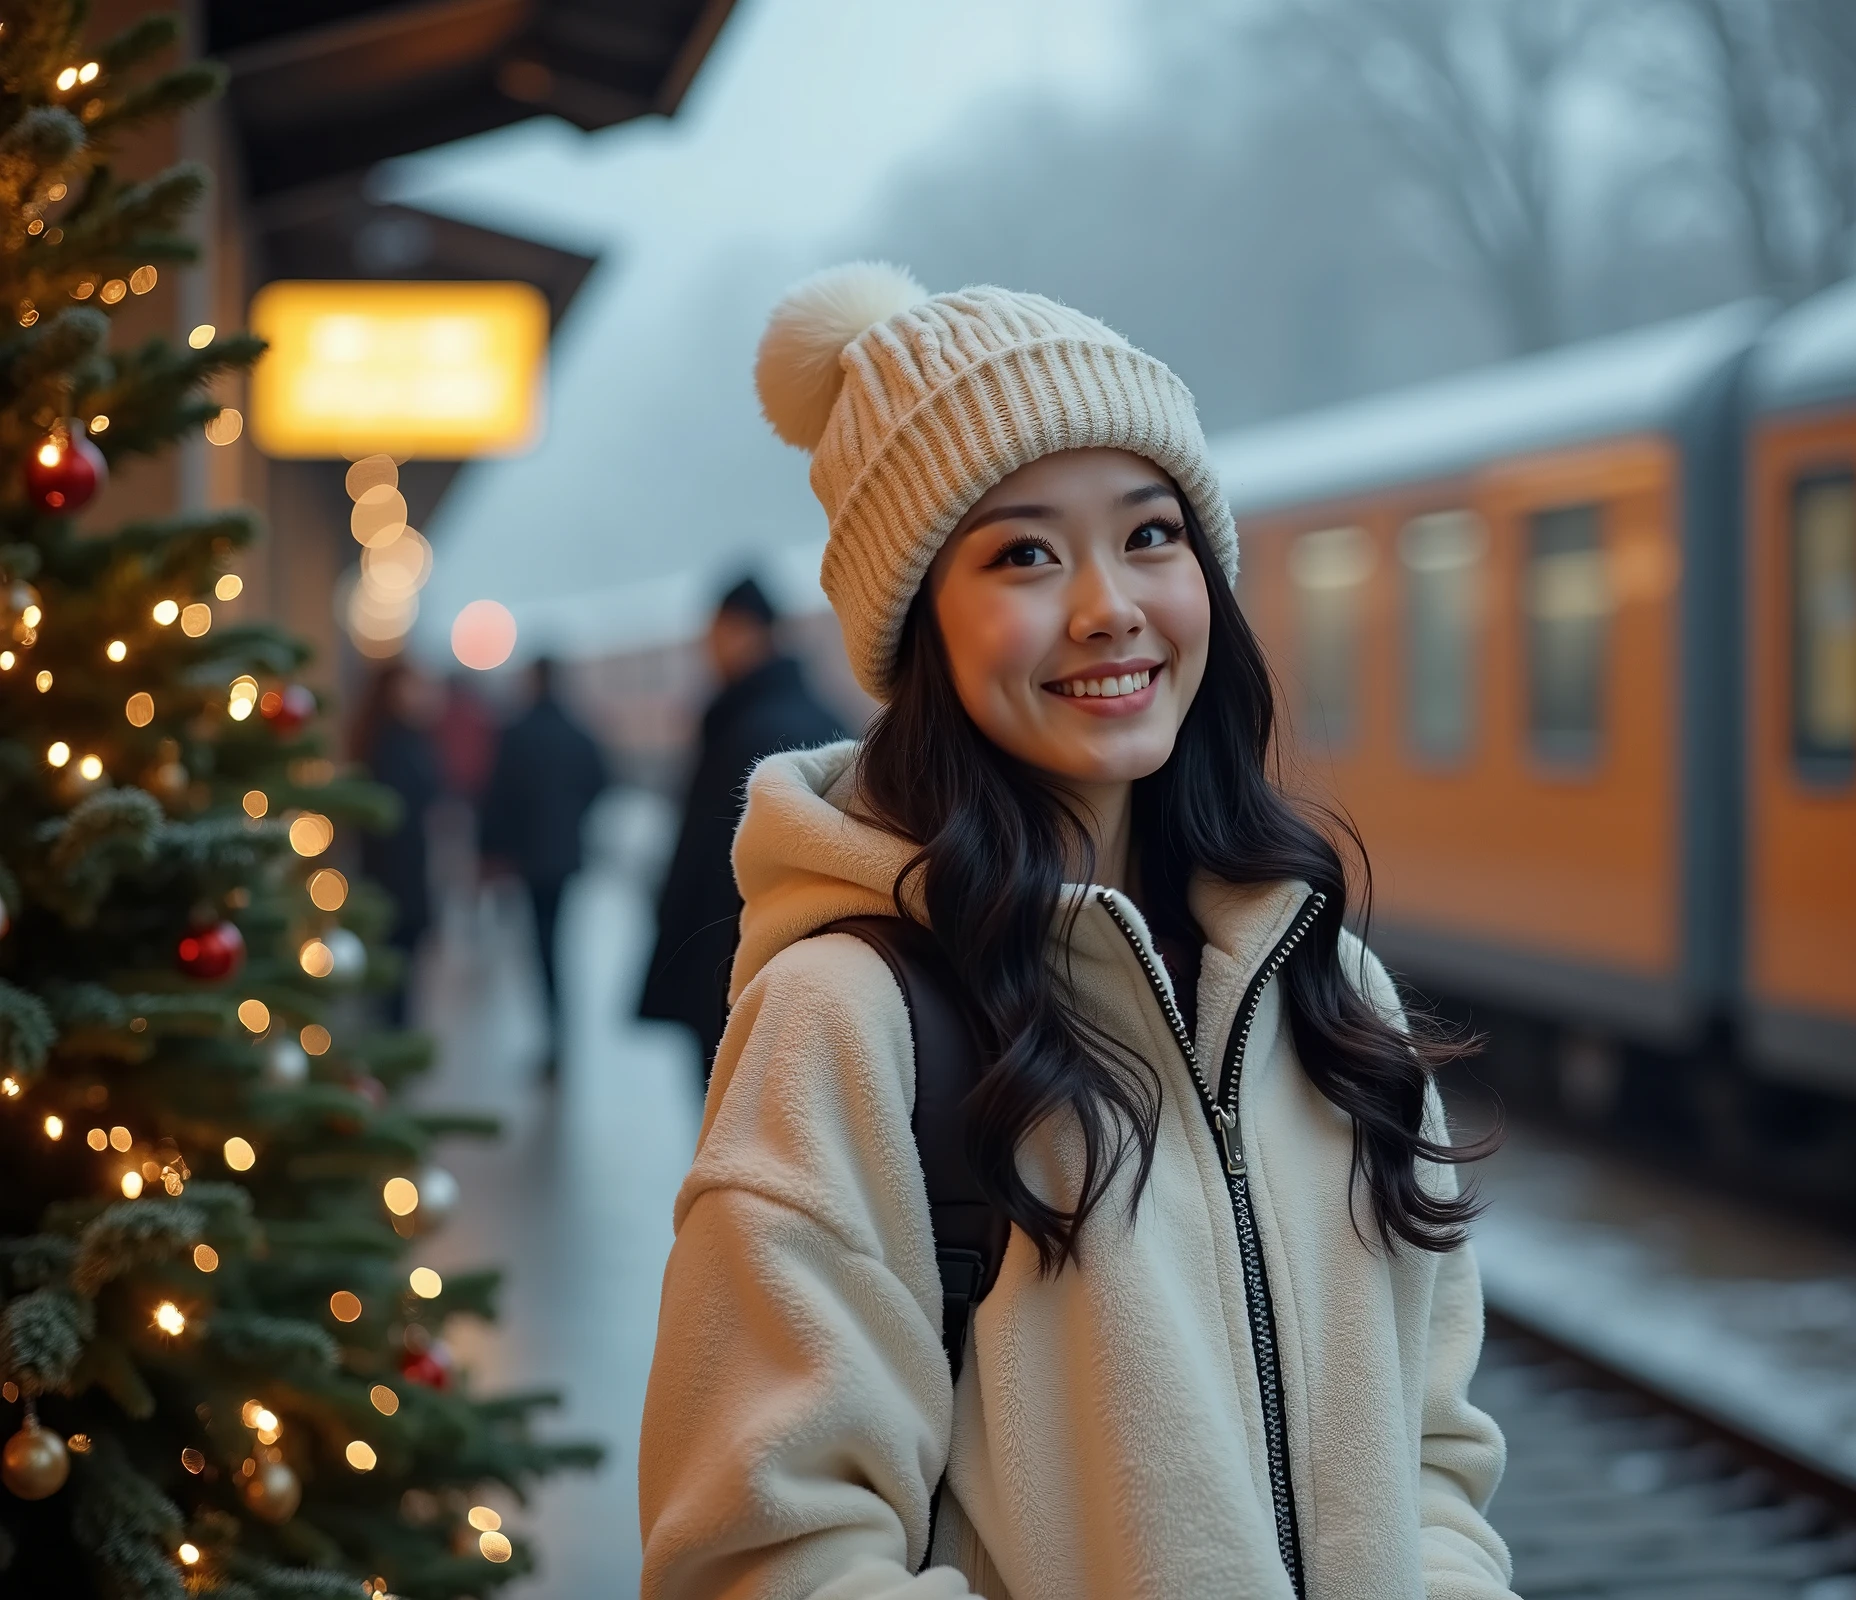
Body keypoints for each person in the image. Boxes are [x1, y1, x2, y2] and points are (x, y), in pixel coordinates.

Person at [638, 266, 1512, 1600]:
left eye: (1152, 535)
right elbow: (765, 1558)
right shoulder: (850, 1020)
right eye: (1027, 553)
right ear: (917, 622)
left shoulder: (1333, 991)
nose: (1110, 604)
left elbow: (1436, 1464)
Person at [637, 575, 846, 1070]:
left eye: (714, 634)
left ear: (742, 632)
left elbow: (711, 861)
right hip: (804, 968)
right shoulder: (820, 715)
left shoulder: (746, 729)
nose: (708, 650)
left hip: (733, 966)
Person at [478, 656, 608, 1079]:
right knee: (560, 943)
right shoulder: (578, 730)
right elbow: (602, 780)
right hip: (566, 857)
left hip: (530, 859)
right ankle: (562, 1033)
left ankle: (554, 1037)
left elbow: (497, 796)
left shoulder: (516, 733)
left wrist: (492, 851)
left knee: (542, 947)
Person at [351, 660, 444, 1024]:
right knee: (395, 965)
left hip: (409, 869)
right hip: (392, 873)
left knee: (404, 967)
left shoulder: (413, 737)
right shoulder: (387, 745)